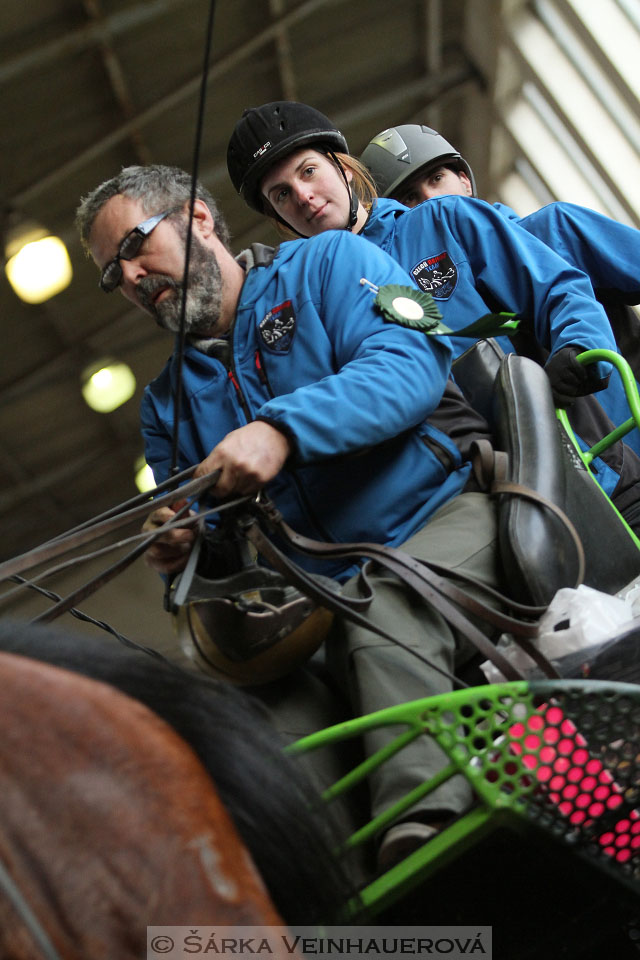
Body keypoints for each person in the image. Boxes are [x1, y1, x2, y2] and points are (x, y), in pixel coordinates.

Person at [76, 163, 514, 868]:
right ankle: (334, 905)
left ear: (197, 218)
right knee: (252, 726)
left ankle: (430, 848)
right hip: (319, 601)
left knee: (388, 610)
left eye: (134, 247)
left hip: (450, 514)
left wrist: (281, 430)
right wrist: (187, 549)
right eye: (110, 274)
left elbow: (411, 358)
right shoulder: (166, 407)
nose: (129, 278)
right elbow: (216, 557)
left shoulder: (330, 263)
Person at [226, 101, 640, 516]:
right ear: (277, 216)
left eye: (308, 171)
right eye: (281, 194)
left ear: (344, 169)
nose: (303, 196)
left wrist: (579, 347)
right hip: (468, 507)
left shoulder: (445, 220)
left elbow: (556, 286)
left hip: (576, 462)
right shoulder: (301, 312)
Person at [360, 122, 640, 453]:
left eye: (436, 179)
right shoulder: (425, 314)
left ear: (464, 181)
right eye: (410, 197)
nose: (429, 199)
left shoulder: (554, 228)